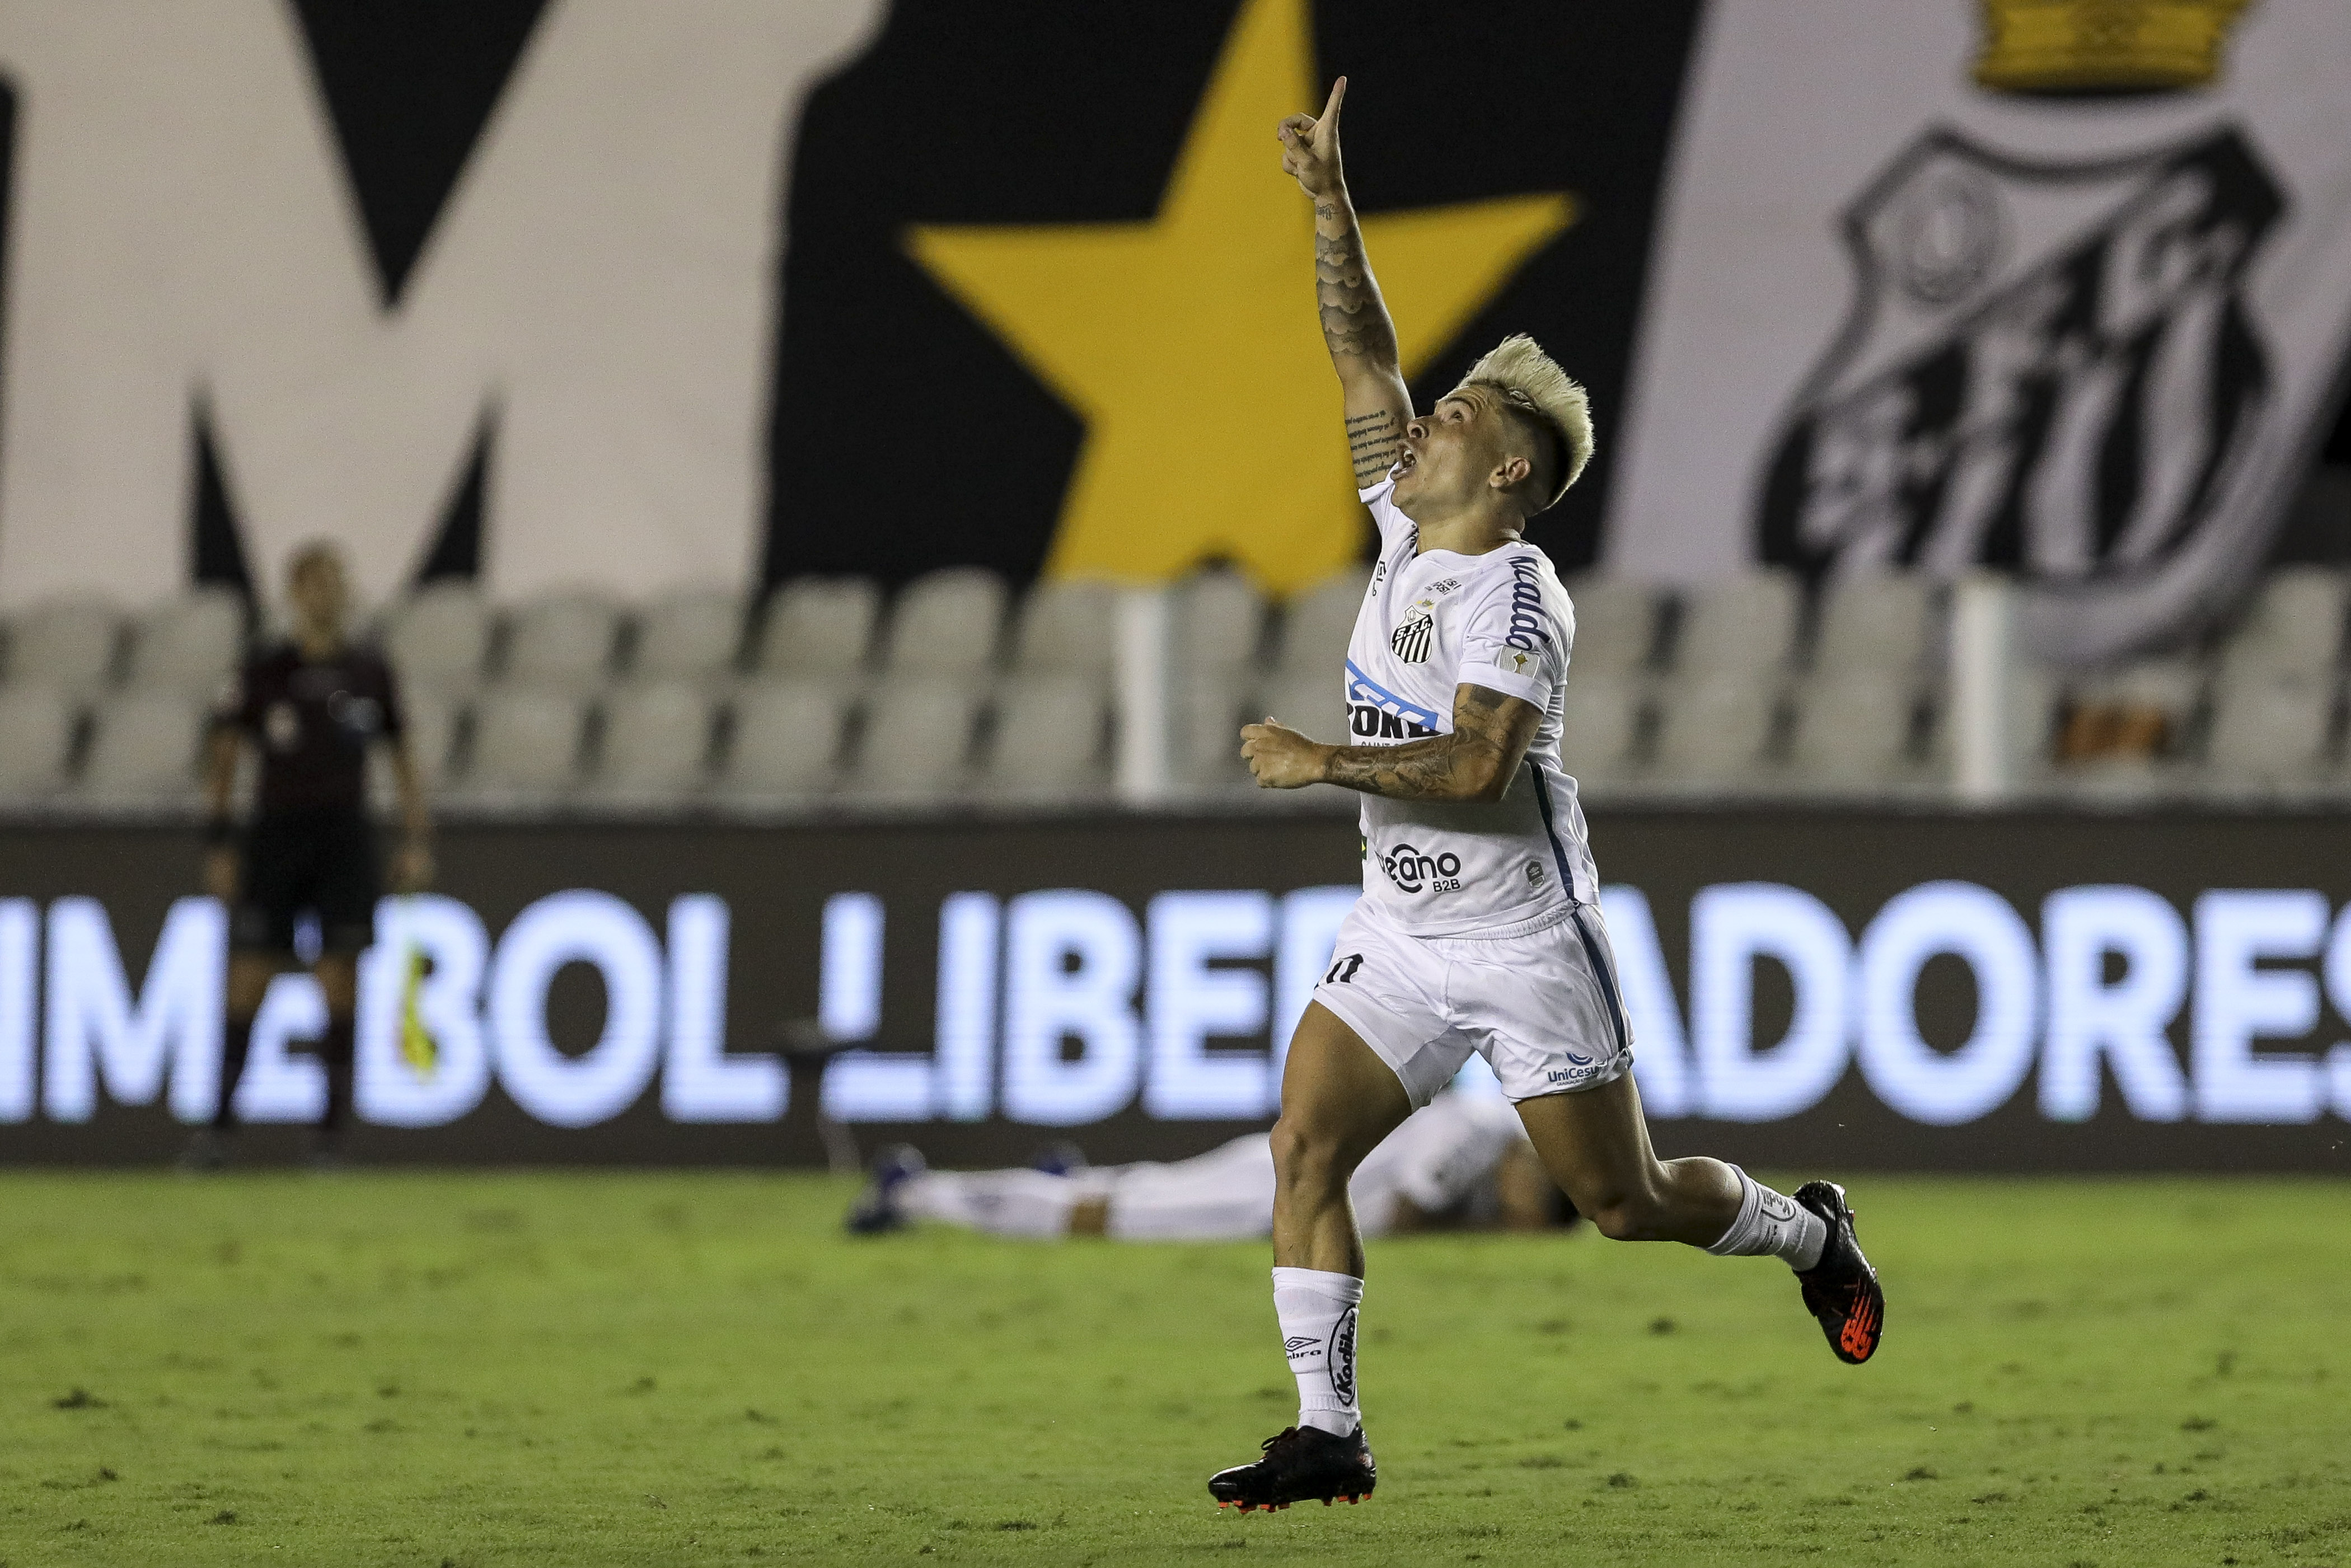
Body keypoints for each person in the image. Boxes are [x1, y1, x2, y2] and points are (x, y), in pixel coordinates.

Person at [1205, 79, 1885, 1514]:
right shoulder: (1404, 517)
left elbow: (1475, 769)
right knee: (1303, 1143)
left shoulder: (1517, 595)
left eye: (1452, 412)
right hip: (1398, 930)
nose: (1420, 418)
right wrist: (1329, 200)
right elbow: (1360, 351)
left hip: (1520, 940)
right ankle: (1331, 1430)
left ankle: (1807, 1235)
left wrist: (1318, 759)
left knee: (1625, 1204)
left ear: (1508, 467)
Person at [181, 542, 433, 1168]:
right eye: (315, 582)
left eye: (336, 581)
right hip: (275, 835)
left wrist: (414, 839)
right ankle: (217, 1131)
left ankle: (327, 1140)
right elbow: (227, 754)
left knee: (339, 981)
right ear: (294, 592)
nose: (328, 593)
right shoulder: (266, 669)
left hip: (344, 836)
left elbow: (401, 758)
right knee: (247, 980)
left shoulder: (370, 671)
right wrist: (219, 839)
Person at [845, 1089, 1575, 1242]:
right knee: (1111, 1221)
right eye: (1528, 1206)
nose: (1515, 1217)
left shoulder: (1491, 1138)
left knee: (1146, 1189)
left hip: (1289, 1174)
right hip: (1279, 1193)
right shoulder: (1482, 1130)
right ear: (1536, 1170)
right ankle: (918, 1192)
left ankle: (1065, 1176)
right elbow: (1414, 1205)